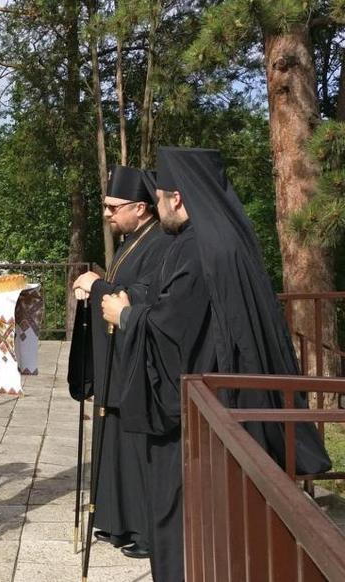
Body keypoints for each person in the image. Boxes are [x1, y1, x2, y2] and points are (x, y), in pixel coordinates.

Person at [102, 147, 331, 582]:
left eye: (163, 196)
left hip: (197, 415)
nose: (160, 203)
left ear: (178, 198)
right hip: (225, 401)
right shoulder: (221, 235)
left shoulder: (198, 247)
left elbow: (175, 329)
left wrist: (126, 315)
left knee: (182, 517)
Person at [70, 166, 171, 559]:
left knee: (135, 449)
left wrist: (98, 287)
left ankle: (142, 527)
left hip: (139, 363)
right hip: (118, 361)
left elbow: (140, 299)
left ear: (141, 208)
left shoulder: (160, 243)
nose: (108, 214)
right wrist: (96, 289)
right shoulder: (133, 239)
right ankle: (115, 520)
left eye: (114, 207)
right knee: (112, 442)